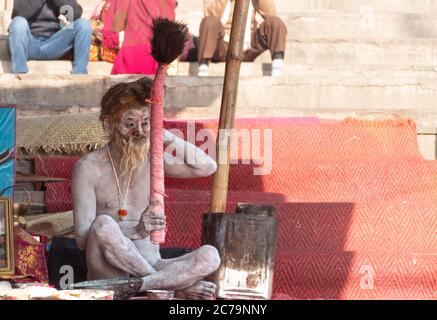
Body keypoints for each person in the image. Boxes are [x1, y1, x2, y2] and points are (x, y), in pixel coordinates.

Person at [72, 77, 220, 299]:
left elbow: (207, 166)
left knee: (210, 256)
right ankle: (170, 288)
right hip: (110, 274)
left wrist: (163, 134)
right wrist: (136, 231)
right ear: (108, 125)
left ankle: (151, 286)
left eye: (145, 123)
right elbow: (84, 238)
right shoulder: (88, 168)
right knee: (103, 224)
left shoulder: (152, 160)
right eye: (130, 124)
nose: (139, 132)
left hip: (153, 265)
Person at [196, 0, 287, 76]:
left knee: (275, 22)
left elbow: (271, 13)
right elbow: (209, 14)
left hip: (249, 44)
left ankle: (277, 70)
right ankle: (203, 70)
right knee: (209, 21)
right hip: (224, 45)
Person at [7, 0, 92, 74]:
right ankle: (19, 73)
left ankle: (79, 74)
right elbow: (19, 14)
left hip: (53, 44)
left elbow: (75, 15)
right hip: (29, 43)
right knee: (18, 22)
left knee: (83, 25)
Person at [105, 0, 177, 75]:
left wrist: (112, 35)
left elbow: (119, 16)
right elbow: (169, 16)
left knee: (127, 85)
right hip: (155, 51)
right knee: (153, 84)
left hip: (132, 51)